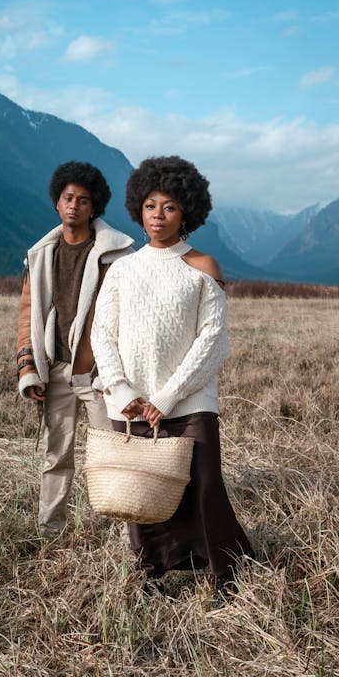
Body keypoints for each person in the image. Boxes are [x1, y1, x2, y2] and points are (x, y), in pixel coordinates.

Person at [91, 155, 254, 594]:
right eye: (149, 206)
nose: (157, 216)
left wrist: (166, 398)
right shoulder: (122, 269)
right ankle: (151, 572)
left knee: (204, 486)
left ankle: (226, 574)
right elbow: (102, 334)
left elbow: (213, 342)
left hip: (189, 401)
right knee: (141, 493)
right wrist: (123, 390)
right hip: (130, 403)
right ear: (137, 210)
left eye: (168, 207)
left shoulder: (203, 267)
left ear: (187, 213)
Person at [17, 161, 134, 537]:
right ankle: (50, 532)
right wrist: (29, 370)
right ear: (57, 202)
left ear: (94, 207)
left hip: (98, 375)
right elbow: (27, 317)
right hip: (56, 373)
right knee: (57, 457)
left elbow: (129, 318)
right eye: (68, 198)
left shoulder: (115, 256)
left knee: (114, 454)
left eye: (83, 201)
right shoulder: (41, 256)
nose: (74, 206)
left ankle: (126, 536)